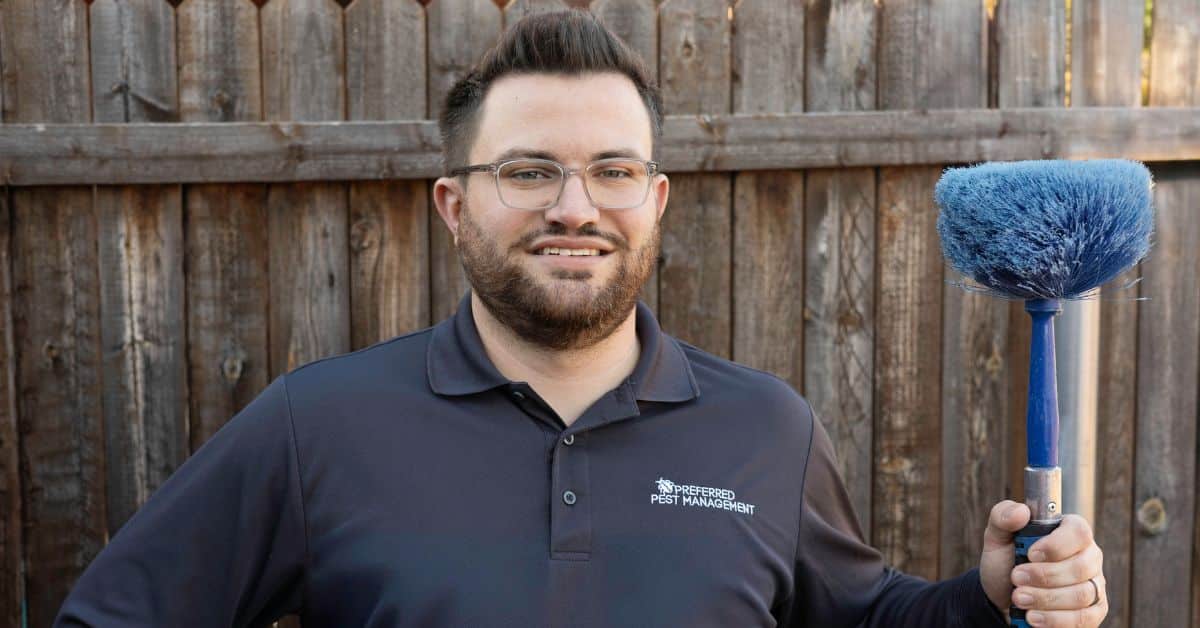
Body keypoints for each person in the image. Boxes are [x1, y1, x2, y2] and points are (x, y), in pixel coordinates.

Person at [55, 10, 1106, 628]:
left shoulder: (765, 431)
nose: (574, 205)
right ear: (453, 202)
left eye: (612, 169)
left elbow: (867, 620)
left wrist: (989, 592)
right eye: (528, 170)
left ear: (653, 203)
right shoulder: (316, 429)